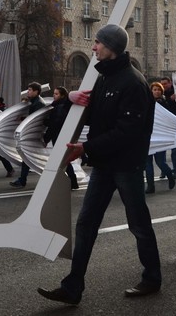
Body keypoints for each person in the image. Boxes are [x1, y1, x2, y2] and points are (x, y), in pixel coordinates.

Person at [38, 24, 161, 305]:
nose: (93, 47)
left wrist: (86, 148)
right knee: (85, 224)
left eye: (98, 43)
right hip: (104, 165)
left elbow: (127, 131)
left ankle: (152, 278)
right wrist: (70, 99)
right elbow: (93, 115)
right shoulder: (104, 78)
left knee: (138, 224)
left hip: (126, 166)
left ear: (111, 47)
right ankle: (72, 288)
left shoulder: (133, 82)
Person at [10, 82, 44, 188]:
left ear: (36, 91)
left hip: (34, 134)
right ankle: (22, 180)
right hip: (32, 134)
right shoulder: (35, 102)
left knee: (29, 157)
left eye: (30, 90)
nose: (28, 92)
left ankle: (23, 180)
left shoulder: (38, 103)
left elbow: (35, 120)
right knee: (27, 157)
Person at [44, 87, 79, 189]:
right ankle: (72, 181)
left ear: (63, 95)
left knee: (63, 160)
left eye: (56, 94)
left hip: (59, 137)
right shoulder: (64, 106)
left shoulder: (59, 107)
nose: (54, 95)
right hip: (63, 136)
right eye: (54, 93)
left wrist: (46, 138)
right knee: (63, 160)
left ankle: (72, 181)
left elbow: (54, 124)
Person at [144, 82, 176, 194]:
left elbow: (170, 118)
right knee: (147, 163)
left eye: (158, 90)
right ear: (151, 91)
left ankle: (170, 176)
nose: (156, 91)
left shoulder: (164, 103)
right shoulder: (146, 102)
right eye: (154, 89)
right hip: (148, 136)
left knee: (160, 162)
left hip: (160, 136)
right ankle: (150, 186)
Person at [159, 76, 176, 177]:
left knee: (174, 149)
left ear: (170, 83)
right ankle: (164, 169)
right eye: (162, 84)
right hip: (165, 124)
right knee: (162, 149)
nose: (164, 86)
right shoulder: (161, 94)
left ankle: (175, 170)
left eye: (165, 84)